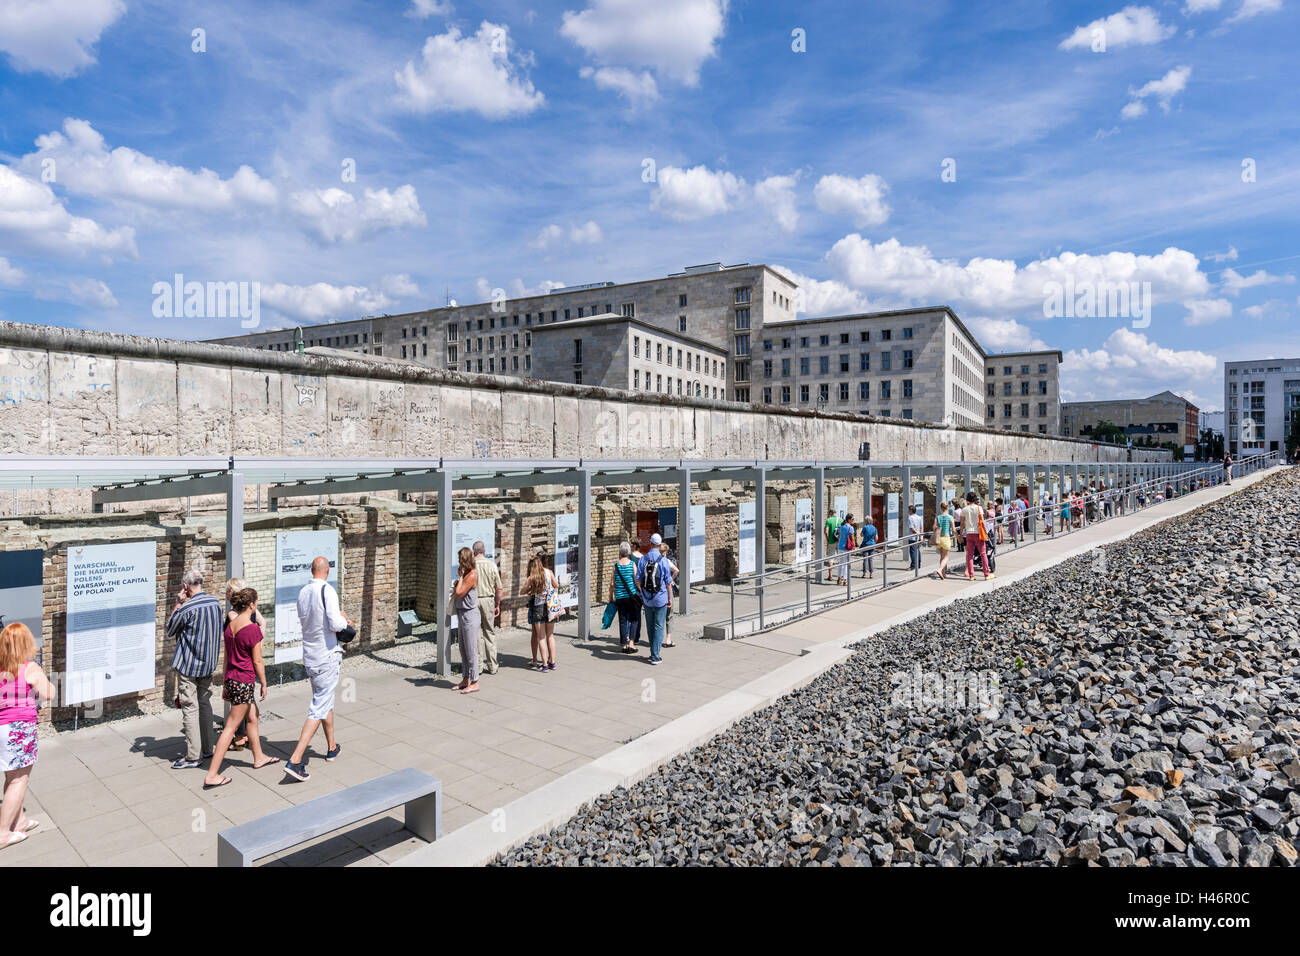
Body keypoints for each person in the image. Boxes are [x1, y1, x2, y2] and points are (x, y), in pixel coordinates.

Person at [283, 556, 349, 781]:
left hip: (310, 656)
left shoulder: (302, 592)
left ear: (312, 571)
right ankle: (295, 760)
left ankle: (332, 747)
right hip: (327, 655)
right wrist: (344, 619)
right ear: (327, 570)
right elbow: (335, 624)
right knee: (318, 706)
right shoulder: (327, 591)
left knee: (324, 699)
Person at [203, 588, 277, 788]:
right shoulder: (252, 628)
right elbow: (258, 660)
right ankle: (212, 774)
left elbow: (226, 657)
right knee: (231, 727)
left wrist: (226, 682)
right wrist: (263, 682)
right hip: (244, 680)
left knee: (253, 716)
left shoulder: (230, 627)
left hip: (233, 679)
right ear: (252, 605)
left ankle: (259, 756)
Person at [0, 623, 53, 850]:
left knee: (11, 777)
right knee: (20, 779)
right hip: (19, 730)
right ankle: (2, 833)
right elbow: (49, 694)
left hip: (2, 728)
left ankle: (18, 820)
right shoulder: (29, 668)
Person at [167, 568, 223, 769]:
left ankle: (193, 756)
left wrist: (179, 602)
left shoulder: (186, 608)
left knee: (190, 708)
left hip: (189, 665)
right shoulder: (216, 603)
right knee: (205, 704)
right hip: (208, 664)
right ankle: (208, 749)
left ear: (185, 587)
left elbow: (170, 629)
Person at [223, 577, 265, 751]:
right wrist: (257, 642)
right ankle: (255, 752)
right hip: (242, 672)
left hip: (240, 670)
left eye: (227, 591)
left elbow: (230, 651)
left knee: (243, 715)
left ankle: (240, 740)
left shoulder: (234, 616)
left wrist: (256, 643)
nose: (225, 594)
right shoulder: (249, 613)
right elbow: (262, 623)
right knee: (250, 713)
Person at [635, 533, 672, 665]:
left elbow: (638, 579)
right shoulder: (663, 561)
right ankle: (655, 656)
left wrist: (643, 592)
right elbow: (668, 583)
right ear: (660, 544)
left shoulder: (643, 559)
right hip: (660, 597)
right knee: (659, 625)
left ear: (650, 543)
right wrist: (669, 598)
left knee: (650, 625)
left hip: (647, 599)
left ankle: (653, 652)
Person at [450, 548, 481, 694]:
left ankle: (475, 682)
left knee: (471, 650)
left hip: (470, 615)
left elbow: (459, 593)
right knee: (463, 649)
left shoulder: (472, 574)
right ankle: (465, 678)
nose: (458, 562)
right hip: (462, 614)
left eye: (460, 560)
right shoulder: (468, 574)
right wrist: (460, 579)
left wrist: (460, 578)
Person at [522, 555, 558, 671]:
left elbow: (522, 591)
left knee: (541, 637)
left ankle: (544, 665)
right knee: (550, 636)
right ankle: (552, 662)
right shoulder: (549, 572)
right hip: (550, 606)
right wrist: (551, 595)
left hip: (538, 607)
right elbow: (556, 585)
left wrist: (531, 589)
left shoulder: (532, 577)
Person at [472, 541, 502, 676]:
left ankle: (478, 666)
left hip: (474, 600)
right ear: (483, 551)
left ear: (474, 552)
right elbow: (499, 587)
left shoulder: (471, 565)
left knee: (477, 634)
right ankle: (492, 665)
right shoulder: (491, 565)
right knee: (489, 632)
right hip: (488, 599)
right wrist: (497, 604)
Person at [610, 542, 641, 653]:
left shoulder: (616, 566)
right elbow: (637, 581)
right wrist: (641, 591)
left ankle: (624, 645)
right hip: (631, 597)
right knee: (634, 619)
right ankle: (632, 643)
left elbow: (612, 584)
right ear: (628, 552)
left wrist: (611, 597)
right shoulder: (632, 564)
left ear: (620, 552)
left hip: (620, 597)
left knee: (623, 621)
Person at [960, 492, 992, 581]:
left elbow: (962, 524)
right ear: (975, 499)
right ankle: (986, 574)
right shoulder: (979, 508)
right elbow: (982, 521)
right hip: (978, 533)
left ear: (967, 499)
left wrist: (960, 535)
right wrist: (985, 532)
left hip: (968, 533)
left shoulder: (964, 510)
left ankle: (971, 575)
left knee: (969, 555)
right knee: (983, 553)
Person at [658, 542, 680, 648]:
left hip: (657, 591)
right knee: (669, 615)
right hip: (667, 591)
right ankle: (668, 639)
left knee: (658, 616)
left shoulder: (653, 561)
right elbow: (676, 570)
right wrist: (671, 579)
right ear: (665, 552)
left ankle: (657, 639)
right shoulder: (666, 561)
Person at [931, 500, 954, 580]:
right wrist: (958, 537)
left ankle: (943, 573)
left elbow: (934, 527)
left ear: (941, 508)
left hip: (939, 538)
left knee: (942, 556)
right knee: (946, 557)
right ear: (947, 507)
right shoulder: (950, 517)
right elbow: (953, 530)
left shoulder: (938, 517)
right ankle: (940, 569)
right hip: (946, 538)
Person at [837, 513, 856, 584]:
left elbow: (839, 537)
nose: (853, 520)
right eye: (852, 519)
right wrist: (853, 547)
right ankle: (845, 580)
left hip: (840, 547)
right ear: (849, 519)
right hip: (846, 547)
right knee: (846, 564)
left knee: (840, 563)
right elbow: (853, 538)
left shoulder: (841, 526)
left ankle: (839, 578)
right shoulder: (850, 528)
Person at [824, 510, 842, 580]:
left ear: (830, 513)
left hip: (831, 541)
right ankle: (840, 576)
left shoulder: (828, 520)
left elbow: (826, 531)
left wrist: (828, 539)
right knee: (840, 558)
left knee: (830, 559)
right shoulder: (841, 520)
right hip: (839, 541)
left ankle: (830, 576)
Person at [906, 506, 924, 571]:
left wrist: (917, 534)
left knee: (913, 551)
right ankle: (918, 565)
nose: (908, 511)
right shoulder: (919, 517)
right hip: (918, 537)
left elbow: (912, 528)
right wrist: (921, 536)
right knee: (918, 550)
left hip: (912, 537)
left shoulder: (910, 518)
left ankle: (913, 566)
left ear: (911, 510)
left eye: (909, 510)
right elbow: (921, 527)